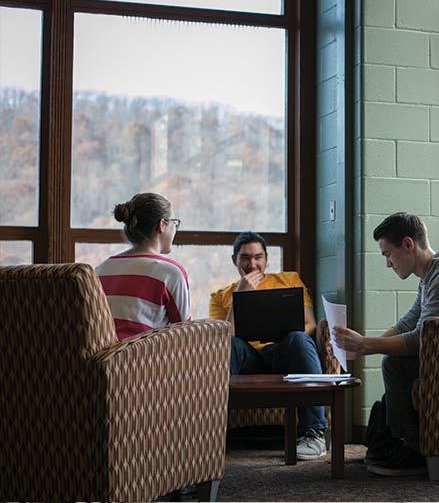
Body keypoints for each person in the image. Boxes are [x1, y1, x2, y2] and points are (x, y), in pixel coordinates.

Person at [333, 212, 439, 476]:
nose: (388, 264)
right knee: (395, 364)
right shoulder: (432, 274)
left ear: (407, 244)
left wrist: (368, 345)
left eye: (387, 254)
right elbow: (410, 323)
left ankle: (412, 449)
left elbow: (422, 340)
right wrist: (365, 344)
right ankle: (391, 442)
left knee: (395, 364)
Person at [209, 231, 328, 460]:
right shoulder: (219, 296)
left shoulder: (289, 280)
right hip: (247, 358)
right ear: (234, 260)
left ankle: (314, 432)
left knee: (300, 338)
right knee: (230, 345)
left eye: (258, 257)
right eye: (245, 257)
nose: (252, 264)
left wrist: (283, 335)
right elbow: (221, 340)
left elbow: (310, 323)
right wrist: (239, 296)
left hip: (284, 352)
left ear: (266, 259)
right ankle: (209, 433)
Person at [96, 192, 190, 340]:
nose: (175, 229)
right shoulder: (169, 272)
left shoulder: (101, 269)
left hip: (101, 360)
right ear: (162, 225)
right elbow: (185, 333)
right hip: (143, 360)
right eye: (175, 223)